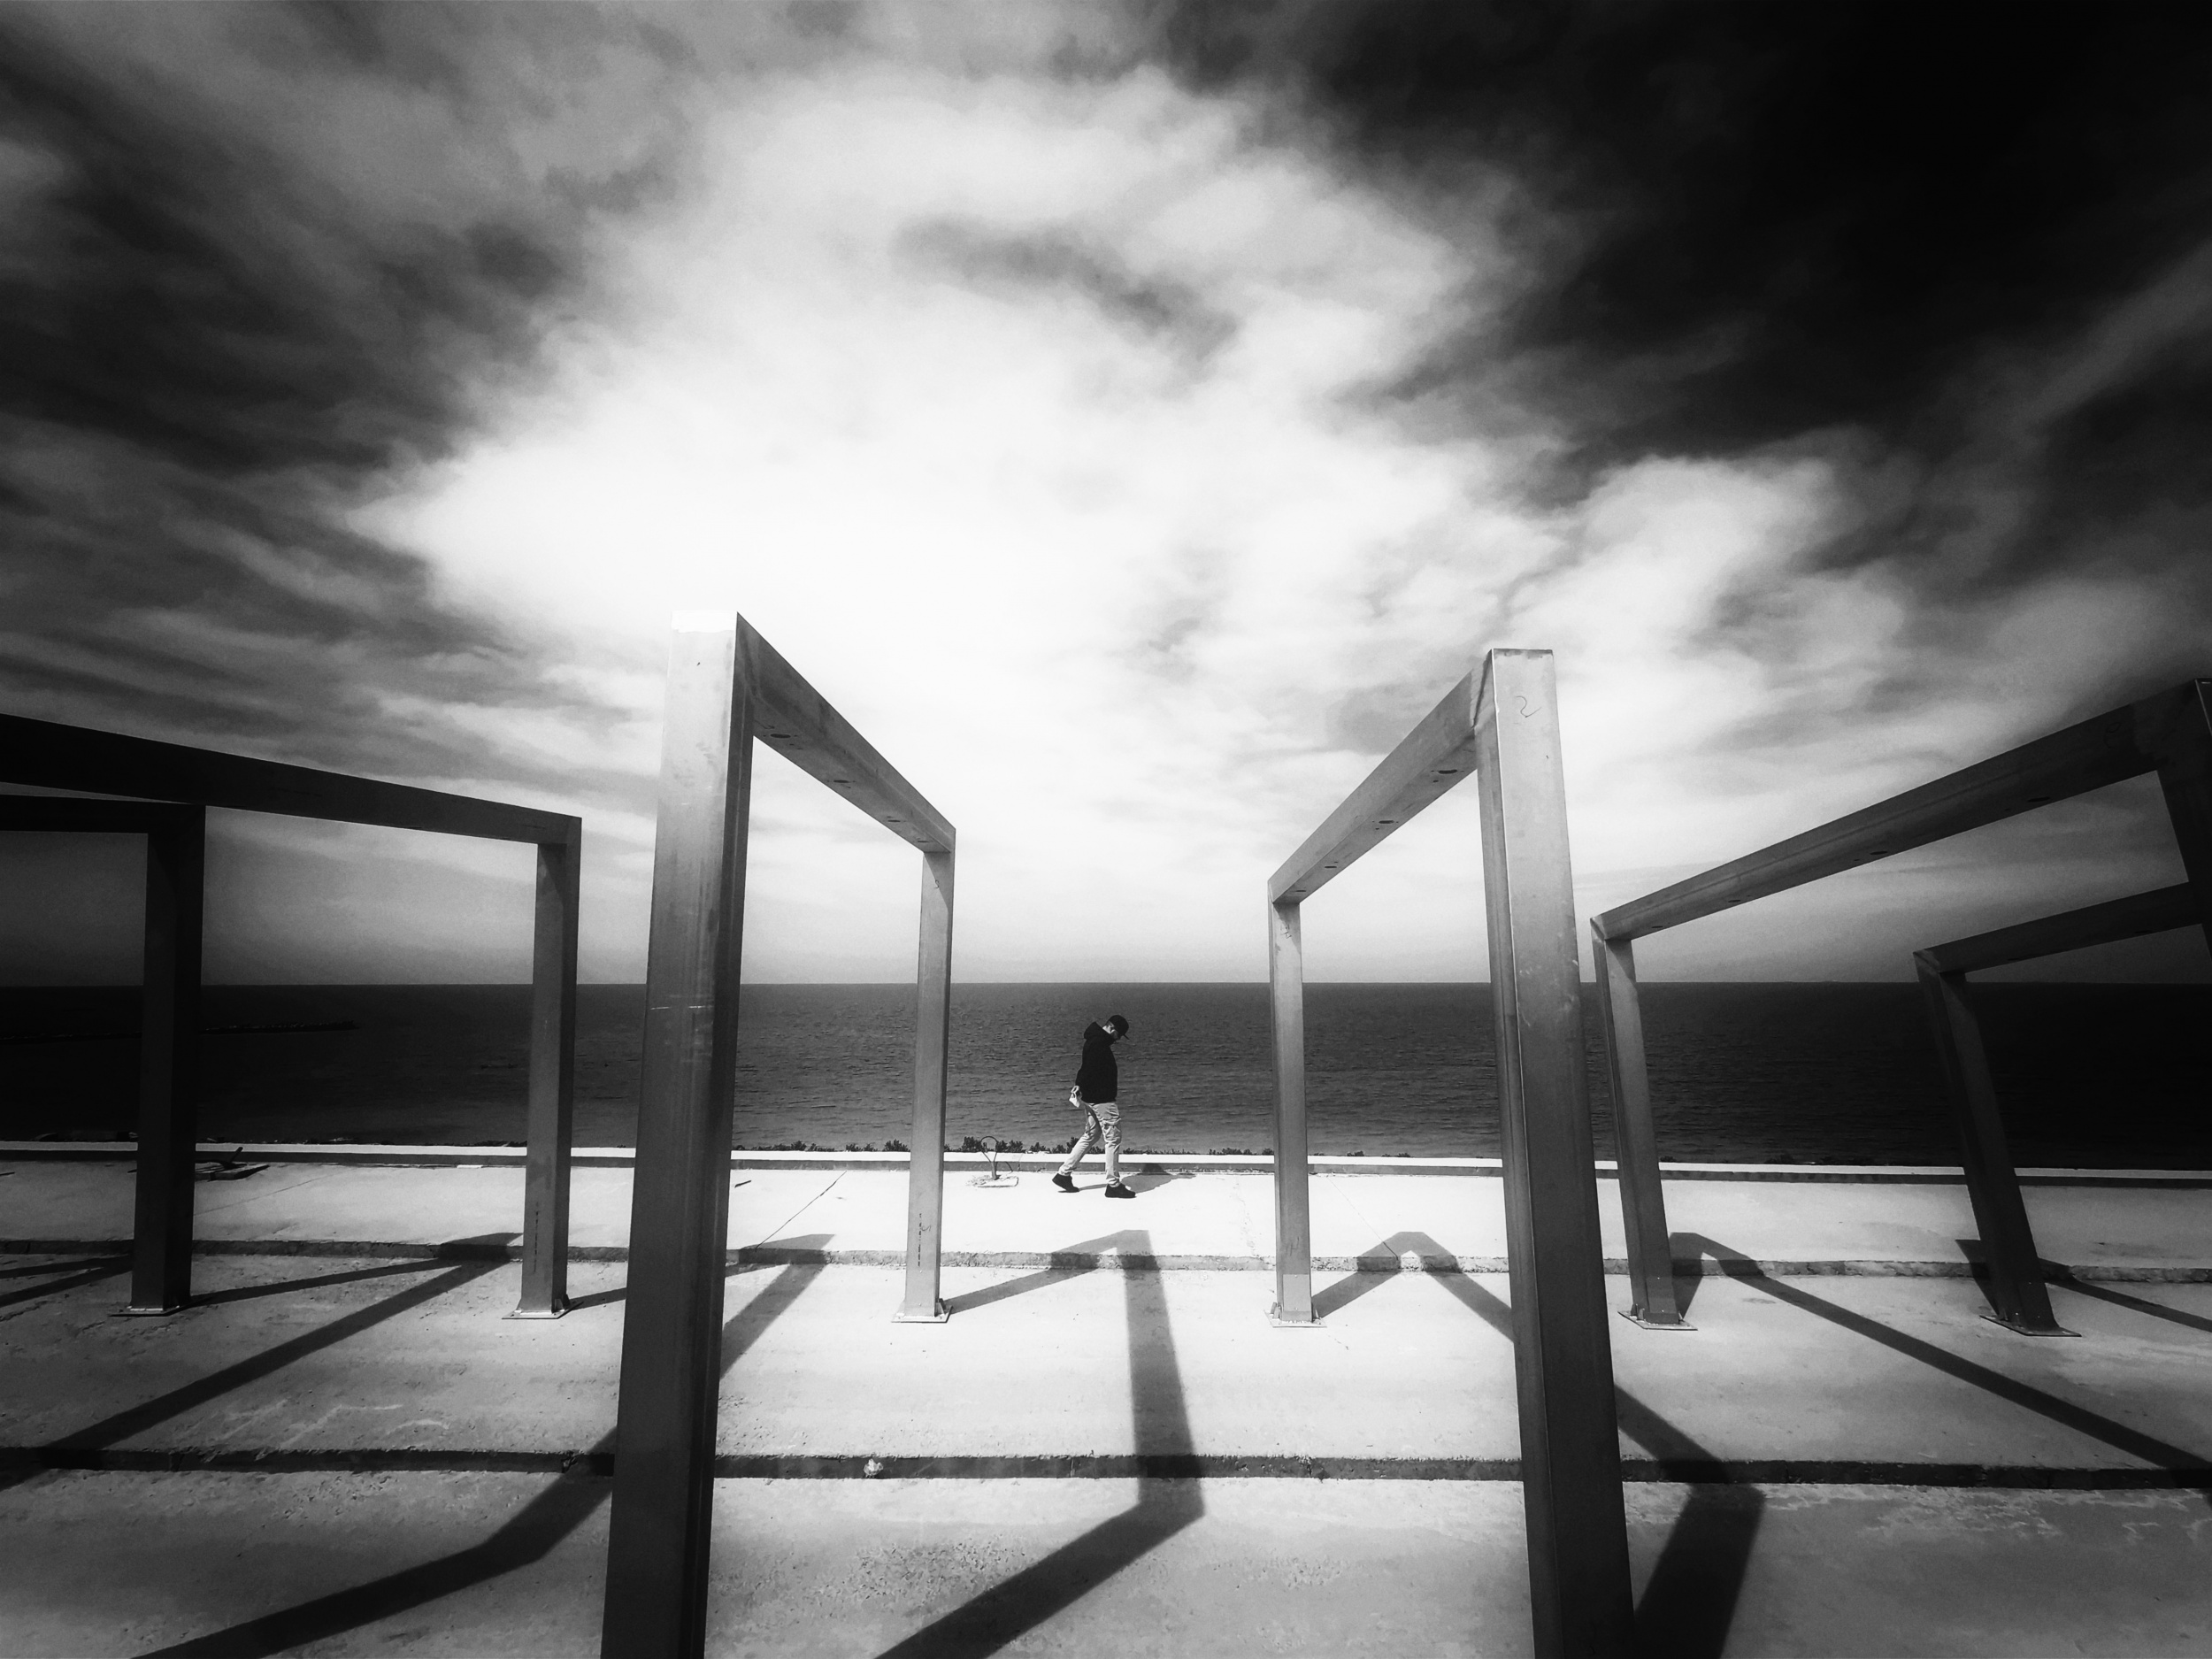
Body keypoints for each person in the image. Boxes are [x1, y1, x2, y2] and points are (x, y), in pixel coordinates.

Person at [1052, 1013, 1131, 1197]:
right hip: (1102, 1100)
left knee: (1091, 1135)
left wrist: (1079, 1084)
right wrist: (1082, 1084)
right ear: (1111, 1028)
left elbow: (1085, 1067)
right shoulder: (1099, 1044)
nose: (1118, 1039)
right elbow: (1090, 1068)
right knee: (1113, 1139)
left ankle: (1063, 1174)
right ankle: (1113, 1184)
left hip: (1091, 1098)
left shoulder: (1094, 1040)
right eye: (1118, 1034)